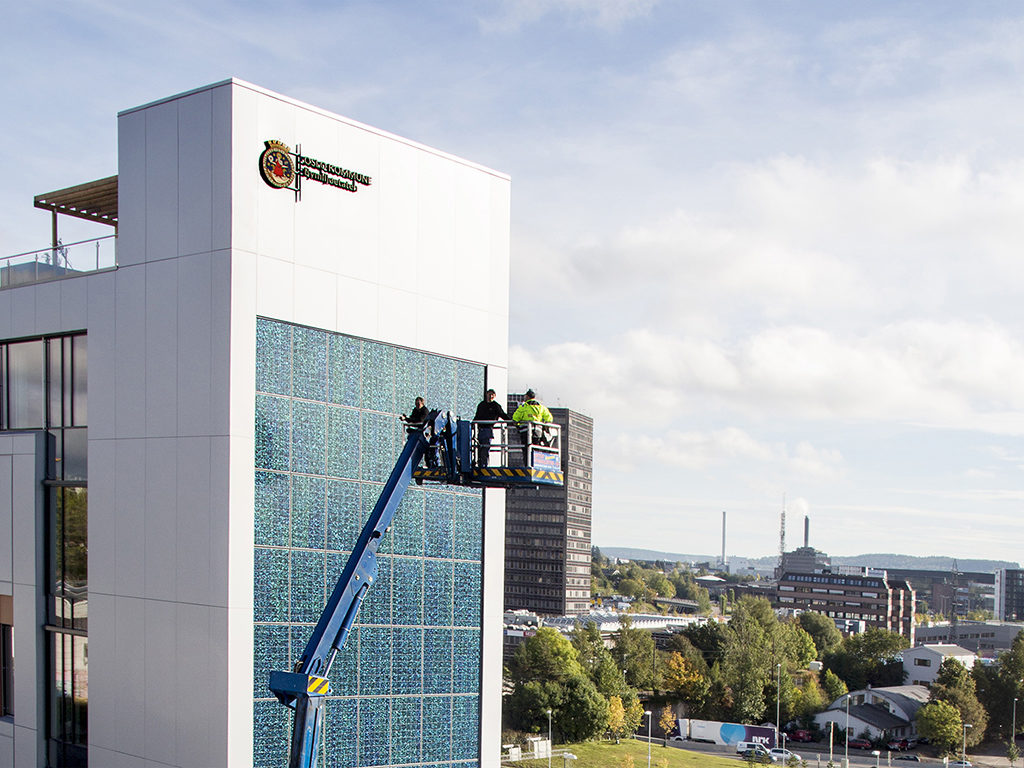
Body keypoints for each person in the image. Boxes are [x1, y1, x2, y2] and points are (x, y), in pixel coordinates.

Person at [512, 389, 553, 464]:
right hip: (537, 431)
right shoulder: (541, 407)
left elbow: (515, 418)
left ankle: (527, 464)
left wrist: (518, 426)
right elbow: (549, 418)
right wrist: (545, 425)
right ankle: (536, 463)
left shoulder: (524, 407)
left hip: (525, 431)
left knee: (526, 449)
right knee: (536, 448)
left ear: (527, 397)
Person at [473, 389, 509, 467]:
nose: (491, 396)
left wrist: (511, 422)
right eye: (489, 394)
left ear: (494, 396)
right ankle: (480, 464)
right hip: (481, 429)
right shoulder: (481, 405)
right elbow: (477, 416)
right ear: (486, 395)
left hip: (488, 429)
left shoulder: (496, 406)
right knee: (480, 448)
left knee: (485, 449)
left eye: (492, 395)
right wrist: (473, 425)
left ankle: (483, 465)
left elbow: (503, 415)